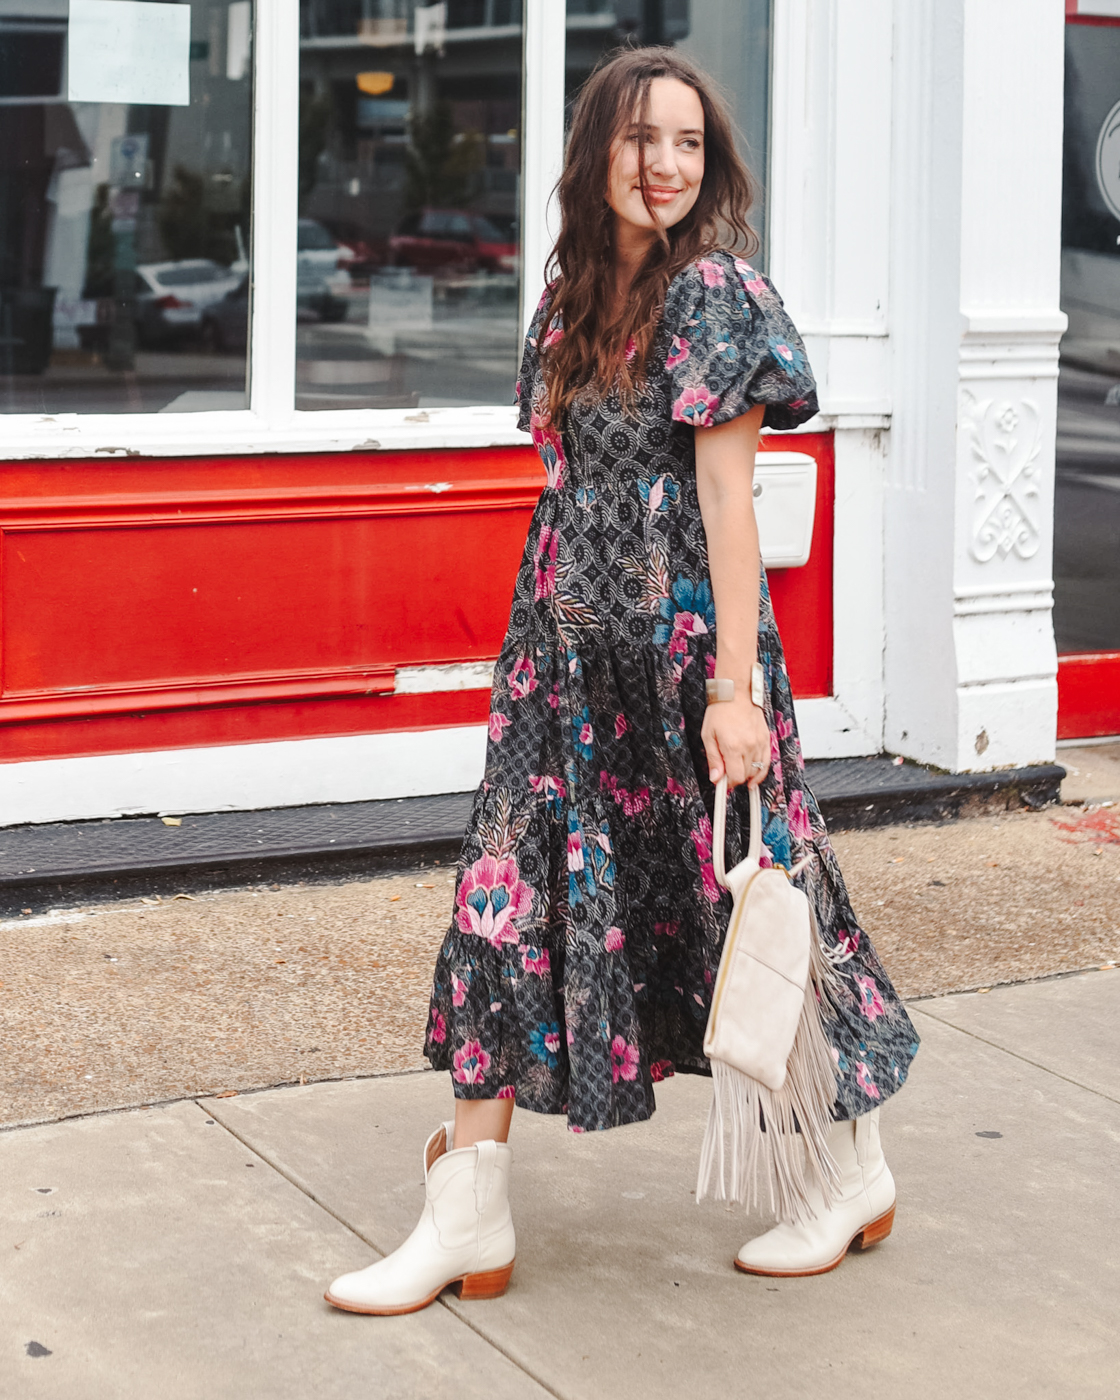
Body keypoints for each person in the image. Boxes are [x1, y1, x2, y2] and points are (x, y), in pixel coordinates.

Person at [325, 46, 919, 1316]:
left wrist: (733, 691)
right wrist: (544, 650)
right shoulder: (566, 298)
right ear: (597, 148)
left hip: (685, 661)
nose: (664, 164)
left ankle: (846, 1167)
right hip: (559, 660)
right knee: (505, 892)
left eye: (689, 143)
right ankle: (466, 1206)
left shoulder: (714, 295)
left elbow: (723, 498)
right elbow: (566, 486)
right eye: (642, 138)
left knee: (744, 897)